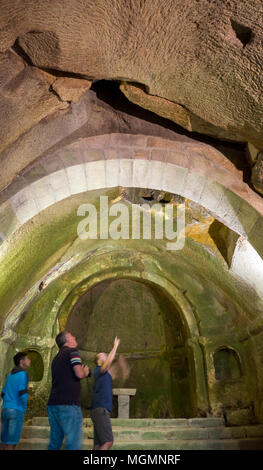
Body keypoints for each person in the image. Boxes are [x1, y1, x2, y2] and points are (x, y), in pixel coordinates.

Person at [47, 331, 90, 450]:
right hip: (68, 404)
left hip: (53, 405)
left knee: (55, 443)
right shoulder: (72, 352)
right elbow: (79, 374)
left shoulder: (56, 358)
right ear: (67, 340)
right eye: (72, 336)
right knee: (73, 444)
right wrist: (85, 372)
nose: (75, 337)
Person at [91, 336, 120, 450]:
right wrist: (115, 347)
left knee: (98, 445)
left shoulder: (105, 373)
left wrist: (122, 366)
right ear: (99, 360)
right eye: (104, 355)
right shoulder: (98, 370)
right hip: (100, 409)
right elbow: (107, 365)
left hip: (99, 410)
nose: (106, 356)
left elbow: (113, 372)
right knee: (108, 441)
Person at [1, 351, 31, 450]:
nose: (29, 360)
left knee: (4, 441)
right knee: (11, 443)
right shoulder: (23, 374)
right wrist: (24, 408)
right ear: (21, 361)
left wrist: (7, 403)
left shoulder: (10, 375)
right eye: (27, 359)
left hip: (5, 409)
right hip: (16, 410)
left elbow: (3, 393)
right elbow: (22, 394)